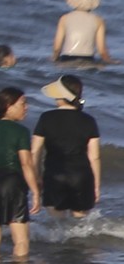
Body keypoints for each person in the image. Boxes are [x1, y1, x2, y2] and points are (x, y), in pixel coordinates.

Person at [0, 87, 41, 258]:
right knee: (21, 240)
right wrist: (36, 191)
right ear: (8, 105)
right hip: (12, 181)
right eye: (22, 103)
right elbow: (26, 163)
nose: (26, 107)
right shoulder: (20, 131)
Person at [31, 75, 100, 219]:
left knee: (58, 226)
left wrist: (36, 178)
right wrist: (96, 186)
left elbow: (35, 152)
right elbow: (94, 157)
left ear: (61, 96)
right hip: (81, 177)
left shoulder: (46, 118)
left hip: (55, 175)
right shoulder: (89, 120)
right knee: (80, 226)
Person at [54, 0, 110, 64]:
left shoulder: (64, 19)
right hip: (88, 59)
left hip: (66, 58)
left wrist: (54, 59)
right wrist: (112, 61)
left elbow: (57, 49)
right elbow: (102, 52)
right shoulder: (98, 21)